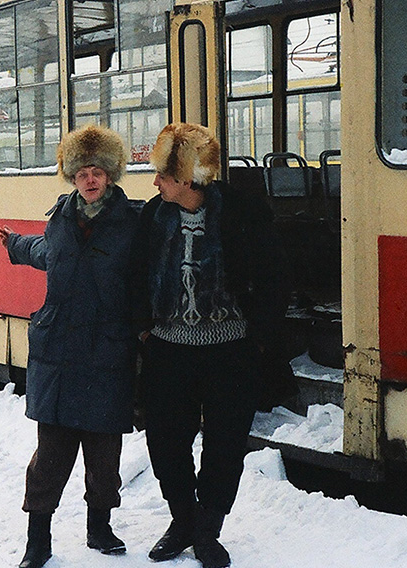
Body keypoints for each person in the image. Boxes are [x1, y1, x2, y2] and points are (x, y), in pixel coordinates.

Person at [132, 123, 285, 568]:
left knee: (225, 445)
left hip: (230, 351)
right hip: (168, 350)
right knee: (166, 442)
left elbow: (275, 277)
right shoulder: (153, 218)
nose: (156, 183)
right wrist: (143, 330)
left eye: (163, 175)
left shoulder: (242, 213)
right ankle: (183, 521)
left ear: (187, 179)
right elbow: (133, 277)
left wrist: (258, 339)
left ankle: (207, 530)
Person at [0, 124, 141, 568]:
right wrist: (15, 245)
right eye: (82, 173)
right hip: (58, 354)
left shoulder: (133, 223)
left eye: (97, 172)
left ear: (110, 175)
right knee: (50, 458)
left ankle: (100, 527)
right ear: (73, 177)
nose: (89, 179)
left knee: (104, 457)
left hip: (107, 354)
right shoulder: (60, 218)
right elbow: (49, 253)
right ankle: (37, 542)